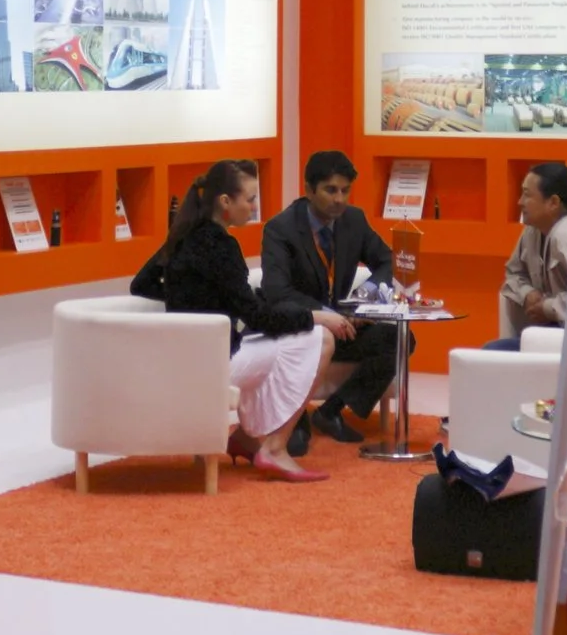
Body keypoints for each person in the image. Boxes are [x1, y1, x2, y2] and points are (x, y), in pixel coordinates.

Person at [132, 159, 352, 483]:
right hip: (212, 363)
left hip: (188, 357)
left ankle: (247, 439)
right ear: (225, 202)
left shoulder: (183, 235)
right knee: (321, 339)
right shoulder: (221, 246)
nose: (253, 207)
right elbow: (259, 317)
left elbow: (142, 283)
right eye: (249, 200)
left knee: (280, 342)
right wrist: (317, 316)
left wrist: (196, 299)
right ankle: (274, 449)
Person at [260, 151, 407, 456]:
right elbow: (277, 292)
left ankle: (332, 410)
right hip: (300, 330)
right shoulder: (280, 229)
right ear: (308, 189)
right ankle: (295, 418)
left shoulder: (353, 220)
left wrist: (360, 301)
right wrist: (327, 316)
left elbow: (387, 262)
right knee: (298, 448)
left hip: (343, 326)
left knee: (399, 339)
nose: (339, 199)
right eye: (330, 190)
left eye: (345, 190)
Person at [490, 161, 567, 347]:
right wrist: (527, 293)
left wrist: (547, 308)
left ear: (553, 202)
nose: (519, 202)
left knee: (493, 351)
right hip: (545, 334)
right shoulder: (532, 231)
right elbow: (513, 273)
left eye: (527, 195)